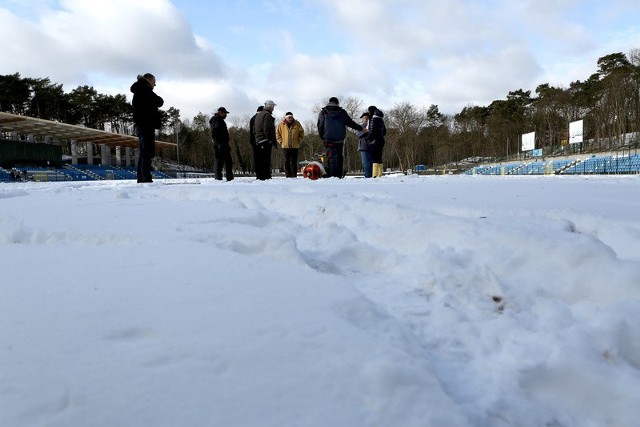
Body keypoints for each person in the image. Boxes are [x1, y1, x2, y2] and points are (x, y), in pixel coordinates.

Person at [317, 97, 362, 178]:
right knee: (339, 155)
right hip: (339, 139)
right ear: (337, 103)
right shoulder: (342, 112)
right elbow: (350, 123)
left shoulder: (323, 112)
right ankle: (339, 174)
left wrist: (322, 136)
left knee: (330, 156)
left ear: (329, 102)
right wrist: (361, 128)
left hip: (328, 138)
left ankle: (332, 174)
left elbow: (320, 125)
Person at [130, 73, 164, 183]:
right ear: (149, 80)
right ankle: (145, 177)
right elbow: (159, 101)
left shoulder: (141, 89)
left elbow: (158, 101)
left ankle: (142, 177)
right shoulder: (144, 90)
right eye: (154, 82)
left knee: (144, 152)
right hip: (146, 124)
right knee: (147, 152)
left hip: (142, 124)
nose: (155, 84)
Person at [253, 100, 277, 180]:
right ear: (270, 107)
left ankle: (260, 176)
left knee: (260, 160)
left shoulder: (259, 115)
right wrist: (269, 139)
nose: (273, 109)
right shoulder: (267, 115)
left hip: (258, 140)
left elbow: (254, 129)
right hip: (264, 140)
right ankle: (266, 176)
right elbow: (266, 128)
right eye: (273, 107)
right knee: (265, 160)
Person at [276, 112, 304, 178]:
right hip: (285, 146)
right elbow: (277, 134)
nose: (290, 119)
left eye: (291, 117)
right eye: (289, 117)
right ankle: (287, 175)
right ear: (286, 118)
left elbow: (302, 133)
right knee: (286, 162)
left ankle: (294, 175)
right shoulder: (281, 124)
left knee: (294, 162)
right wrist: (281, 142)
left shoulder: (297, 124)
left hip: (295, 146)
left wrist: (299, 141)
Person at [209, 107, 233, 181]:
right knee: (222, 162)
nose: (226, 115)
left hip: (223, 144)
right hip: (221, 145)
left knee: (225, 161)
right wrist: (218, 143)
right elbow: (214, 132)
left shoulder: (219, 120)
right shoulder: (217, 120)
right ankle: (220, 178)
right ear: (221, 113)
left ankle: (224, 178)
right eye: (225, 113)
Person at [366, 105, 386, 177]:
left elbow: (372, 131)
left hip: (374, 141)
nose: (368, 113)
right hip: (381, 140)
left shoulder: (373, 119)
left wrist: (367, 138)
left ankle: (374, 175)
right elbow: (384, 132)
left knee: (374, 158)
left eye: (369, 111)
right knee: (379, 157)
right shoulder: (381, 120)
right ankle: (379, 175)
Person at [356, 112, 373, 178]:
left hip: (369, 146)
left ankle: (369, 176)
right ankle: (368, 176)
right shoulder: (360, 126)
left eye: (367, 118)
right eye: (364, 118)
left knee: (369, 162)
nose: (365, 119)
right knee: (366, 163)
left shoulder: (372, 125)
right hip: (363, 146)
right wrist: (365, 131)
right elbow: (357, 133)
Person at [249, 105, 264, 175]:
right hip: (258, 140)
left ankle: (258, 172)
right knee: (260, 157)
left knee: (257, 157)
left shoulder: (253, 118)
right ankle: (260, 172)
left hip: (254, 140)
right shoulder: (258, 118)